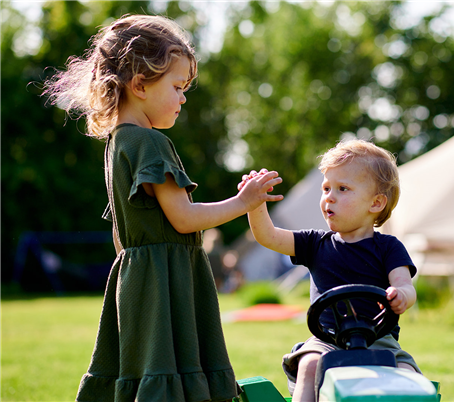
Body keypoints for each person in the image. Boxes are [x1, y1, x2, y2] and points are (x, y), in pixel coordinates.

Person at [43, 15, 283, 402]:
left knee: (150, 372)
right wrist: (243, 201)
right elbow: (184, 218)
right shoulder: (150, 144)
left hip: (138, 281)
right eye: (177, 86)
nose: (184, 98)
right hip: (165, 282)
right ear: (140, 84)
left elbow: (122, 235)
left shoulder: (118, 144)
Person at [240, 140, 420, 402]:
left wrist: (402, 295)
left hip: (380, 340)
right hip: (327, 340)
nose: (329, 197)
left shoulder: (389, 247)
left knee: (405, 372)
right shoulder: (315, 243)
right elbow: (268, 236)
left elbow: (405, 285)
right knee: (311, 363)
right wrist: (255, 204)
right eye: (326, 188)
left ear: (376, 203)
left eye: (342, 188)